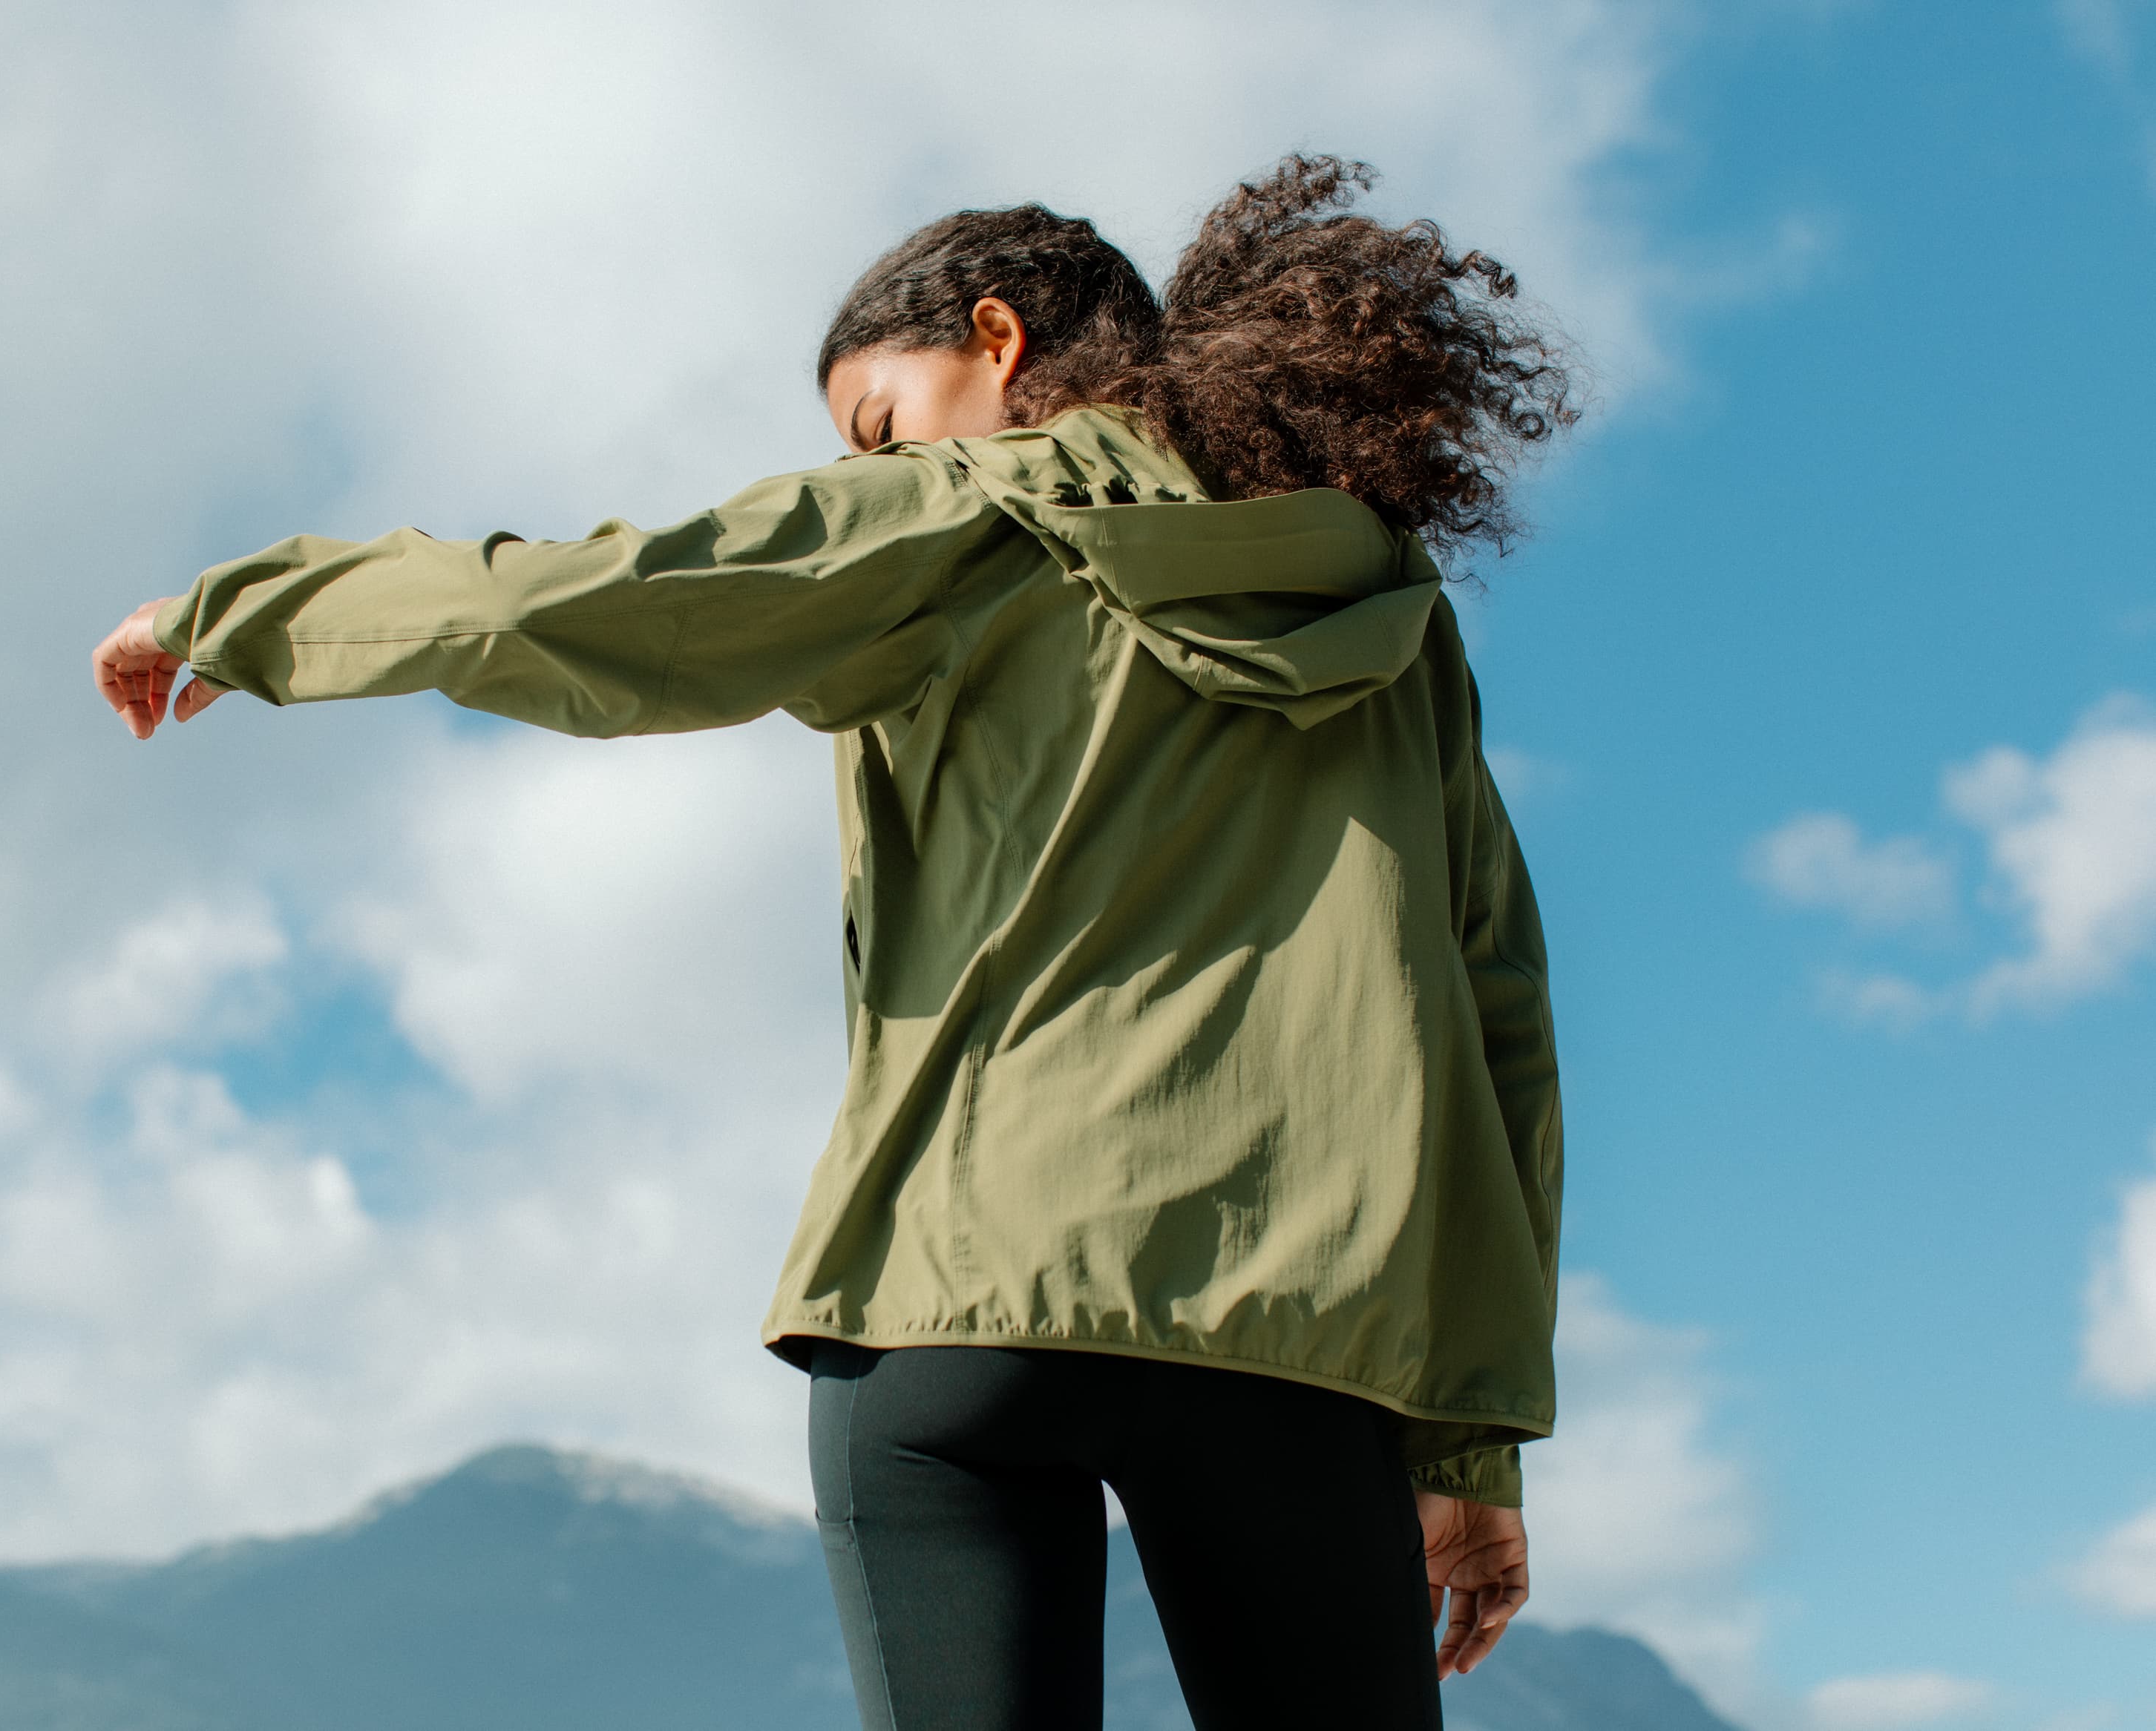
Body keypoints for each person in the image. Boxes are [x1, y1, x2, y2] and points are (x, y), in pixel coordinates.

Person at [93, 154, 1570, 1731]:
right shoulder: (1390, 618)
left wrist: (244, 609)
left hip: (960, 1298)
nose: (876, 463)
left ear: (996, 343)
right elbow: (1501, 1024)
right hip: (1304, 1346)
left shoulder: (964, 509)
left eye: (877, 422)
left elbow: (589, 603)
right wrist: (1466, 1444)